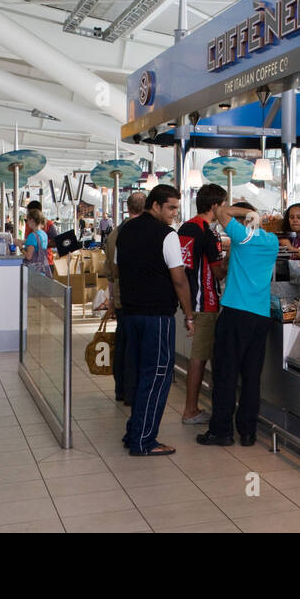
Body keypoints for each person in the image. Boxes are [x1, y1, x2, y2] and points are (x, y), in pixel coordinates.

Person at [117, 184, 194, 456]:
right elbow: (179, 279)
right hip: (157, 316)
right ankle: (144, 440)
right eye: (171, 207)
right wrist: (189, 313)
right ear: (156, 205)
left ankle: (134, 432)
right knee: (158, 375)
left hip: (130, 313)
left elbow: (118, 268)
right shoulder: (167, 235)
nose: (174, 213)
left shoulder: (126, 229)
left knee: (140, 374)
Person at [198, 200, 279, 448]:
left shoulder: (243, 236)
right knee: (251, 376)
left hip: (235, 313)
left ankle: (221, 431)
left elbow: (221, 212)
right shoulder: (272, 241)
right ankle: (248, 432)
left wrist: (248, 212)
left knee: (226, 374)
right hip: (260, 315)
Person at [178, 184, 227, 424]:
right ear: (215, 206)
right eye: (224, 205)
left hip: (189, 299)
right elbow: (218, 272)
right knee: (199, 357)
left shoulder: (186, 227)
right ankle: (191, 410)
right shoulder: (209, 233)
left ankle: (192, 407)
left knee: (196, 356)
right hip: (206, 301)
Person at [103, 191, 145, 406]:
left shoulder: (114, 233)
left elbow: (109, 272)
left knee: (122, 344)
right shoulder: (139, 233)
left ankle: (121, 389)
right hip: (135, 296)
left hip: (119, 295)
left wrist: (111, 300)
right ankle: (131, 391)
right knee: (133, 347)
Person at [21, 208, 52, 277]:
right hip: (42, 270)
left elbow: (28, 256)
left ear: (31, 220)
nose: (27, 223)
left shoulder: (32, 236)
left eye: (27, 220)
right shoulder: (44, 234)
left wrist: (21, 248)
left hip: (33, 272)